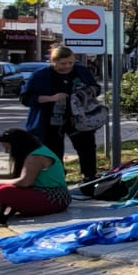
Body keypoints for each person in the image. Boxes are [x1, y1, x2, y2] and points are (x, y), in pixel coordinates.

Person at [19, 45, 100, 181]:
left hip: (78, 118)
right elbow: (26, 98)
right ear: (53, 62)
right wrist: (52, 98)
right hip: (49, 120)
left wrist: (86, 92)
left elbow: (96, 88)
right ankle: (58, 178)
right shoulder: (40, 75)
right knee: (53, 152)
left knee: (86, 146)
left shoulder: (81, 71)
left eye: (71, 63)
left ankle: (89, 177)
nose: (67, 66)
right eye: (63, 63)